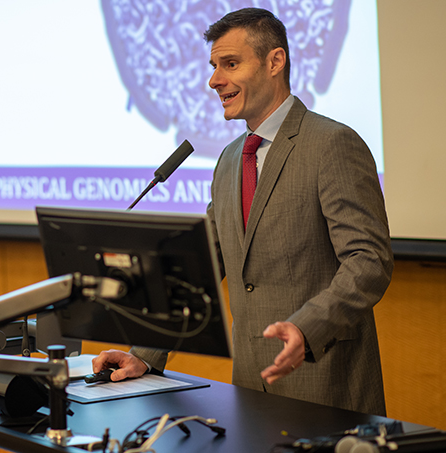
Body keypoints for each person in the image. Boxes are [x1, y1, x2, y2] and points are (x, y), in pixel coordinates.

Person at [92, 8, 393, 416]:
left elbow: (368, 261)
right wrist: (144, 354)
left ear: (275, 61)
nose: (214, 80)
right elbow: (200, 266)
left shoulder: (332, 144)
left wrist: (308, 328)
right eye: (214, 66)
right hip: (250, 389)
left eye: (230, 64)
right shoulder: (231, 159)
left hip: (323, 386)